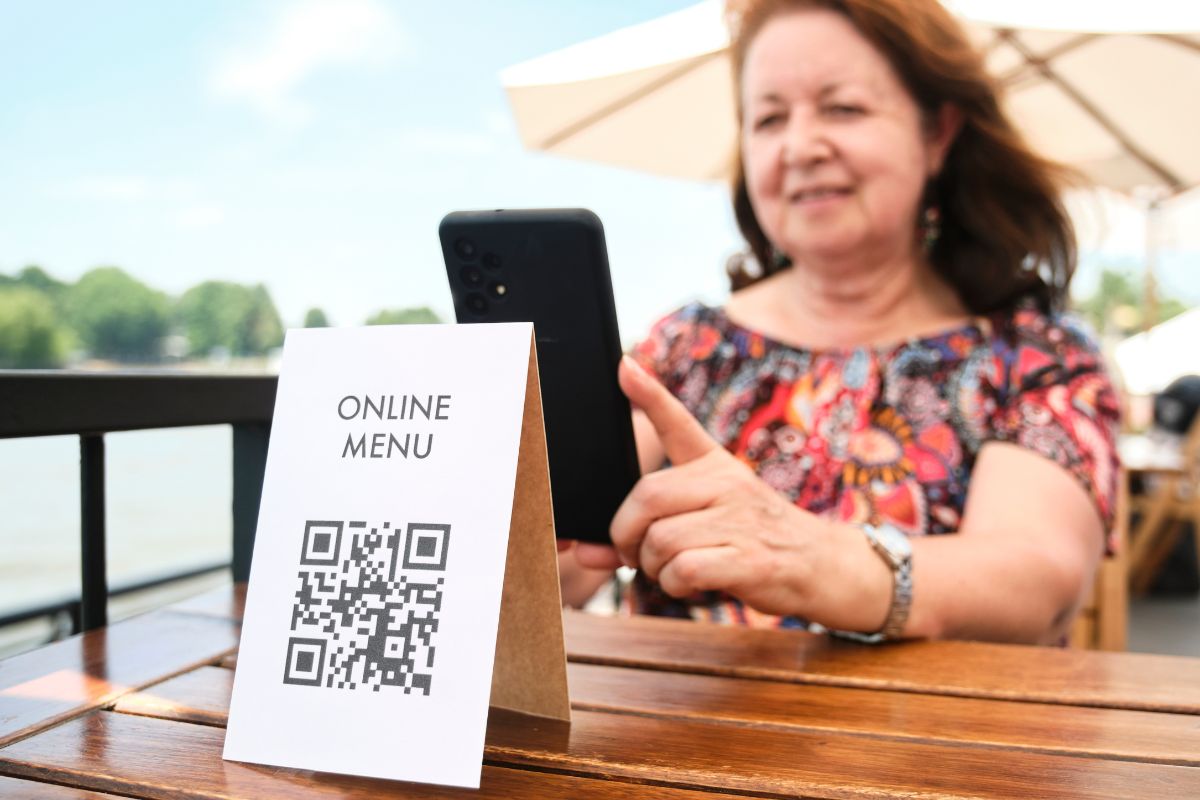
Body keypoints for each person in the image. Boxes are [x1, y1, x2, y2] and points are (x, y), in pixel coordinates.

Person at [559, 0, 1120, 645]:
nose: (799, 146)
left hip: (939, 743)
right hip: (678, 740)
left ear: (937, 133)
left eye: (843, 108)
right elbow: (571, 568)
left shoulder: (1034, 354)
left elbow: (1037, 582)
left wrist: (812, 560)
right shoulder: (688, 346)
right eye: (769, 118)